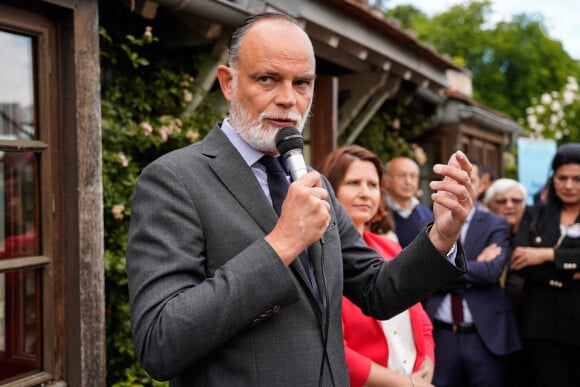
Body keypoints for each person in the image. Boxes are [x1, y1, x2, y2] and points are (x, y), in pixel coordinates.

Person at [126, 12, 474, 386]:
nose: (288, 99)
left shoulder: (314, 182)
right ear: (227, 83)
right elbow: (160, 342)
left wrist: (442, 236)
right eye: (267, 79)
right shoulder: (175, 179)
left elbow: (378, 291)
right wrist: (281, 245)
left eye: (302, 83)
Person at [318, 145, 435, 387]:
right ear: (329, 190)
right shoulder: (319, 258)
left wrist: (427, 365)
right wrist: (406, 384)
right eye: (353, 183)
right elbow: (333, 349)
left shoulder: (391, 247)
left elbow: (421, 321)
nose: (365, 193)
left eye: (372, 185)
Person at [422, 158, 521, 387]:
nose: (460, 188)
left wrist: (442, 270)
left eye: (468, 181)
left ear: (481, 185)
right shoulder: (428, 223)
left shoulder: (496, 224)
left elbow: (491, 272)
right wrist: (474, 265)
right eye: (453, 181)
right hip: (440, 335)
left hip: (483, 336)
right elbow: (421, 275)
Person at [511, 143, 580, 387]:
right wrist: (571, 271)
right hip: (541, 325)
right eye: (562, 178)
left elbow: (535, 262)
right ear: (553, 179)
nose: (569, 185)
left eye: (577, 179)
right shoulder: (533, 214)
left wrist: (547, 255)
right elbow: (521, 263)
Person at [482, 178, 529, 387]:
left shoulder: (536, 236)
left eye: (516, 201)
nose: (509, 205)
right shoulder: (481, 237)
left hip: (527, 329)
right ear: (490, 206)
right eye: (502, 201)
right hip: (489, 332)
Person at [385, 156, 434, 248]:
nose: (408, 181)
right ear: (386, 180)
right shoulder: (379, 213)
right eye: (401, 175)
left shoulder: (427, 215)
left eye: (413, 176)